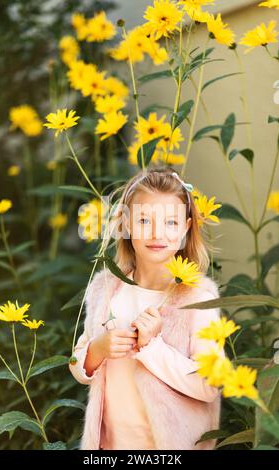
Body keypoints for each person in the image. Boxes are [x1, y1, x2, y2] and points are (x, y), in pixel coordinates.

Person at [69, 166, 225, 450]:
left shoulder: (197, 297)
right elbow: (77, 364)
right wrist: (97, 350)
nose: (157, 233)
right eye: (143, 220)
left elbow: (210, 384)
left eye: (170, 222)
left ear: (186, 228)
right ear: (126, 225)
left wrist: (152, 348)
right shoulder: (106, 290)